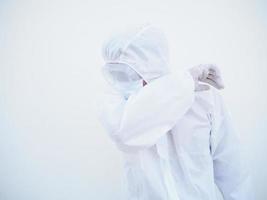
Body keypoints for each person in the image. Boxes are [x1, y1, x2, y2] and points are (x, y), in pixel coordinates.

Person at [99, 25, 252, 200]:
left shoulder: (204, 100)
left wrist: (183, 84)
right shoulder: (117, 105)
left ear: (155, 65)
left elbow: (233, 170)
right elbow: (125, 133)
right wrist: (184, 81)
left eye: (131, 73)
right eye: (119, 75)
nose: (129, 83)